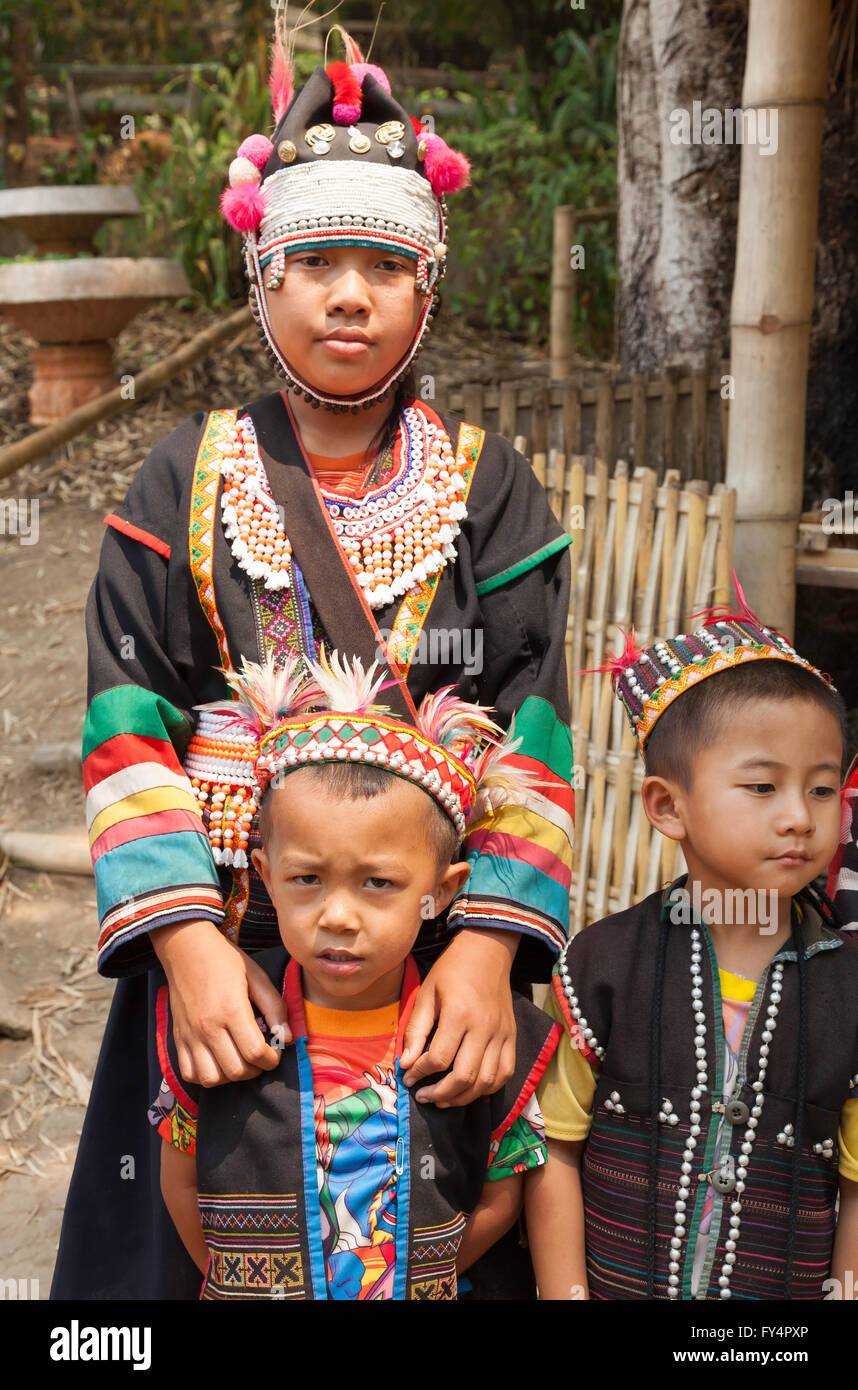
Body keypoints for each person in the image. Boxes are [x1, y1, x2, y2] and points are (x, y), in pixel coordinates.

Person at [52, 12, 574, 1299]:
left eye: (385, 266)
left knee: (450, 1241)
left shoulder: (487, 486)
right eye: (319, 260)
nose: (350, 292)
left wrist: (488, 950)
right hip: (231, 963)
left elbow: (537, 727)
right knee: (191, 1248)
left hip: (427, 959)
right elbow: (127, 724)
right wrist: (185, 948)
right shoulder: (181, 477)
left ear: (426, 291)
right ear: (262, 279)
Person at [152, 649, 560, 1299]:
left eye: (378, 884)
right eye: (307, 879)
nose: (337, 917)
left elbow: (501, 1191)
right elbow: (180, 1175)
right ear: (264, 876)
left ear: (446, 890)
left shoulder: (475, 1039)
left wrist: (420, 1279)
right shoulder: (224, 1024)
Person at [526, 582, 858, 1300]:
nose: (800, 817)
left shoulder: (852, 992)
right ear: (668, 806)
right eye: (764, 788)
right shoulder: (602, 966)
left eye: (823, 790)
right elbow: (553, 1150)